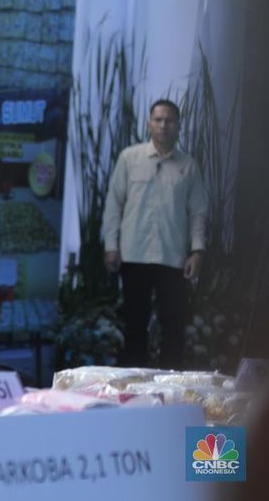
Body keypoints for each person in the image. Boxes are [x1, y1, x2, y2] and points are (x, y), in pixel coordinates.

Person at [102, 99, 208, 369]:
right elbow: (114, 203)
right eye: (158, 120)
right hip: (133, 254)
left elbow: (198, 212)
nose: (163, 125)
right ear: (149, 124)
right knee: (135, 326)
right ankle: (132, 389)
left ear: (178, 126)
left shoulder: (189, 166)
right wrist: (111, 245)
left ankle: (169, 388)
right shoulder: (130, 158)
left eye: (169, 120)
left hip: (172, 257)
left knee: (173, 327)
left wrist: (197, 251)